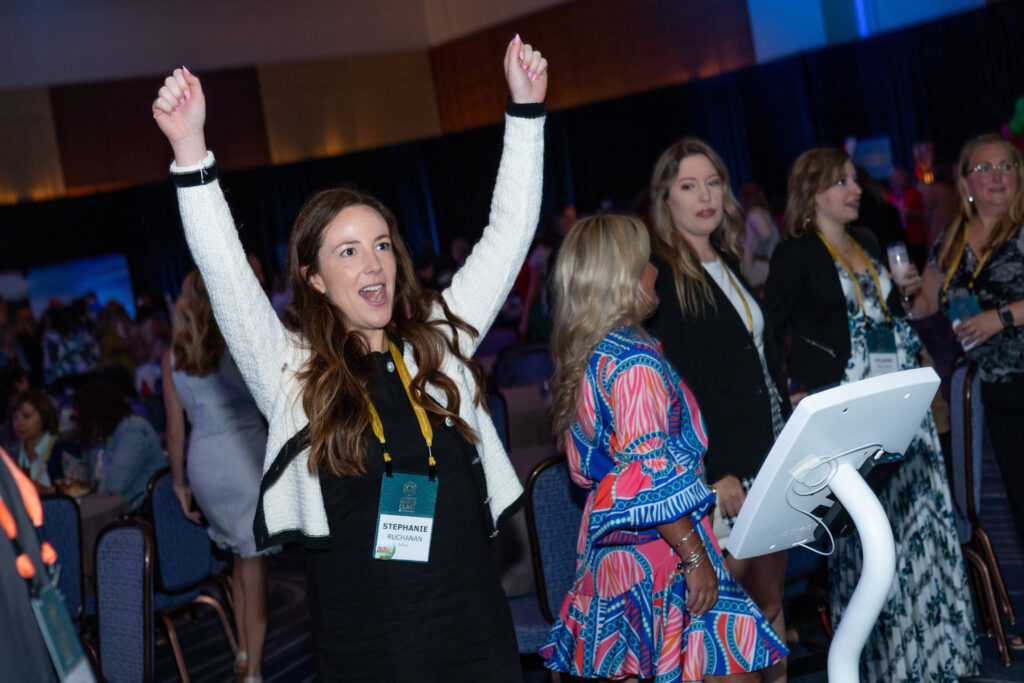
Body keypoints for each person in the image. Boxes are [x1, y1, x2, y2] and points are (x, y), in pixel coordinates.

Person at [152, 35, 547, 681]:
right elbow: (226, 276)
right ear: (311, 277)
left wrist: (526, 111)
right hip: (369, 644)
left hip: (475, 623)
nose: (374, 262)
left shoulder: (438, 344)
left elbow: (508, 233)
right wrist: (190, 152)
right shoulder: (292, 372)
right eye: (348, 250)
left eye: (383, 244)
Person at [763, 148, 980, 682]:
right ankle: (889, 663)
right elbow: (768, 333)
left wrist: (902, 300)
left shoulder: (864, 242)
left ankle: (938, 658)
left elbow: (882, 317)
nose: (855, 190)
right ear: (811, 193)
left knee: (922, 523)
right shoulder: (796, 254)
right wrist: (785, 394)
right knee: (868, 531)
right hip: (853, 412)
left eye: (855, 180)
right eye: (841, 182)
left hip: (903, 402)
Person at [541, 214, 787, 682]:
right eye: (646, 260)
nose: (656, 268)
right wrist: (695, 557)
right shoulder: (633, 363)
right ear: (624, 276)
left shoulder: (593, 353)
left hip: (616, 555)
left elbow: (596, 471)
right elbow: (647, 478)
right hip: (664, 554)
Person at [646, 139, 791, 681]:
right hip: (723, 471)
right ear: (667, 198)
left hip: (766, 455)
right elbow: (672, 392)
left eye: (712, 182)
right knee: (732, 629)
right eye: (688, 185)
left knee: (770, 610)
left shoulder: (726, 258)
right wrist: (708, 476)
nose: (704, 195)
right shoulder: (661, 273)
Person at [908, 133, 1024, 559]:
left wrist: (1002, 317)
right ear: (965, 183)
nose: (996, 176)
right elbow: (924, 303)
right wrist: (903, 295)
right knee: (1018, 507)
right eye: (984, 168)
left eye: (1006, 167)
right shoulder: (952, 239)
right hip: (994, 394)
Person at [162, 270, 274, 681]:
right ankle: (254, 671)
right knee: (253, 563)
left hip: (202, 464)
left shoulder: (172, 355)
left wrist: (179, 483)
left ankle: (245, 650)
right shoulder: (239, 345)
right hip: (244, 457)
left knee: (240, 560)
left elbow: (175, 432)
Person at [74, 379, 165, 509]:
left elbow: (114, 485)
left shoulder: (133, 429)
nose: (80, 420)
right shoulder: (103, 434)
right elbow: (92, 480)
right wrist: (89, 440)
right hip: (119, 505)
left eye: (82, 414)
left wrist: (98, 487)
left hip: (146, 506)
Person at [10, 390, 82, 492]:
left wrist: (47, 490)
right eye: (15, 417)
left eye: (26, 416)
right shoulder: (11, 454)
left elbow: (79, 490)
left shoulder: (64, 450)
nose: (19, 423)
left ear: (44, 417)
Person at [737, 182, 780, 293]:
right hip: (767, 265)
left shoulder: (754, 214)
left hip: (759, 269)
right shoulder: (763, 213)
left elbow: (765, 234)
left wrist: (760, 254)